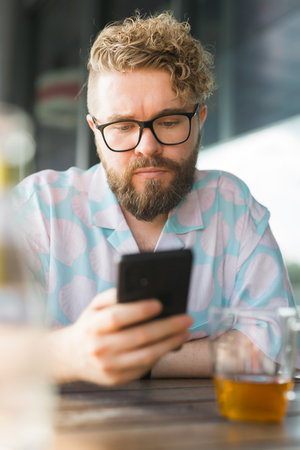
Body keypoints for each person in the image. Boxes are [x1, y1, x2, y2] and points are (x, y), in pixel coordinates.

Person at [14, 12, 295, 385]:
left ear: (199, 121)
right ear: (95, 130)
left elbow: (274, 346)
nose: (147, 147)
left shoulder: (232, 205)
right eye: (123, 126)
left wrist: (138, 359)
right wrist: (70, 355)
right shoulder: (39, 207)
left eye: (168, 122)